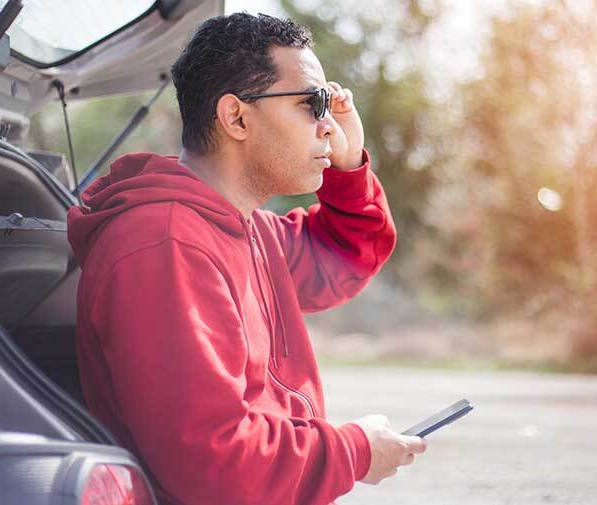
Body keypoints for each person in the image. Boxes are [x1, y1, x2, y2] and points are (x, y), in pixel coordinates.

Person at [67, 12, 426, 505]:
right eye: (312, 103)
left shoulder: (246, 227)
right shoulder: (164, 245)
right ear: (236, 117)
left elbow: (346, 257)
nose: (328, 125)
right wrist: (355, 450)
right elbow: (212, 461)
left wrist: (348, 164)